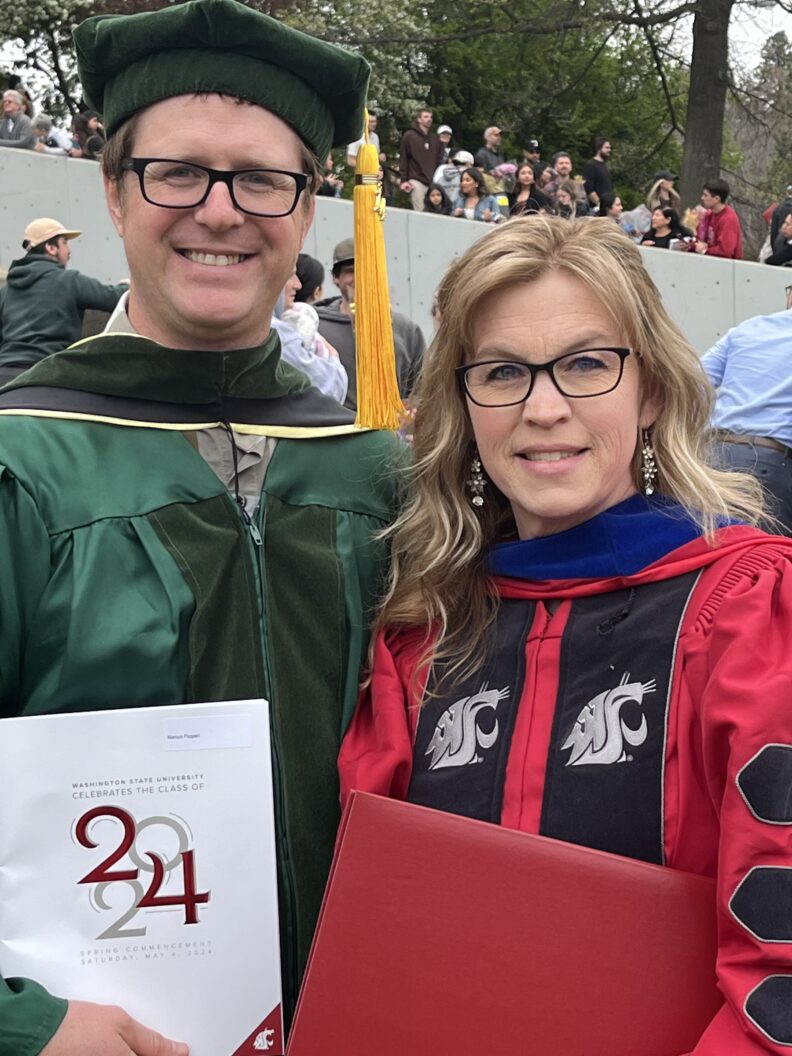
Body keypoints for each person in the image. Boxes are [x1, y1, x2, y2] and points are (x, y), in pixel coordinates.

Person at [0, 1, 401, 1052]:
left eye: (263, 180)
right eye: (177, 173)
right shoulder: (23, 462)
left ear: (308, 207)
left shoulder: (377, 471)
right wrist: (23, 1026)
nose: (220, 212)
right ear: (113, 191)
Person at [339, 215, 792, 1056]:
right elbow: (378, 930)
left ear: (651, 391)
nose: (543, 409)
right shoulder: (423, 640)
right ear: (464, 405)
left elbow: (782, 973)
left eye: (587, 364)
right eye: (503, 372)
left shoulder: (749, 613)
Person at [702, 287, 792, 533]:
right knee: (764, 555)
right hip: (770, 468)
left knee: (707, 547)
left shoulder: (747, 328)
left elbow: (694, 384)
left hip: (713, 456)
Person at [0, 218, 128, 376]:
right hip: (47, 373)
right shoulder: (69, 280)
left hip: (5, 375)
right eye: (65, 242)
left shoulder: (6, 291)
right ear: (51, 248)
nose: (69, 250)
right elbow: (113, 298)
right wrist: (127, 285)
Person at [315, 238, 426, 412]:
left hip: (390, 426)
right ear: (335, 278)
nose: (360, 276)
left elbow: (421, 389)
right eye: (351, 271)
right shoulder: (318, 326)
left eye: (367, 268)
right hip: (337, 426)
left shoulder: (406, 329)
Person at [272, 272, 347, 401]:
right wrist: (333, 357)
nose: (298, 285)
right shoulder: (280, 336)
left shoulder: (299, 322)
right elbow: (332, 390)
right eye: (290, 274)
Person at [682, 179, 743, 259]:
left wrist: (705, 250)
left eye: (706, 195)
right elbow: (700, 240)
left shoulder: (728, 219)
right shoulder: (708, 215)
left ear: (717, 199)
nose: (702, 198)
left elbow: (726, 251)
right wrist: (690, 245)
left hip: (725, 265)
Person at [398, 108, 443, 211]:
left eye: (431, 117)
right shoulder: (409, 136)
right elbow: (404, 158)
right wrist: (403, 180)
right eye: (426, 117)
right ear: (419, 119)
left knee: (434, 211)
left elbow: (439, 160)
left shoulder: (435, 138)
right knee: (420, 211)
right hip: (416, 179)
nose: (429, 119)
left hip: (432, 181)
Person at [583, 137, 612, 208]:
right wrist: (600, 205)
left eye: (610, 148)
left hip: (607, 207)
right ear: (599, 149)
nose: (609, 150)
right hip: (596, 209)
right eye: (607, 148)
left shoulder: (604, 165)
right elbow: (589, 189)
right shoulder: (591, 165)